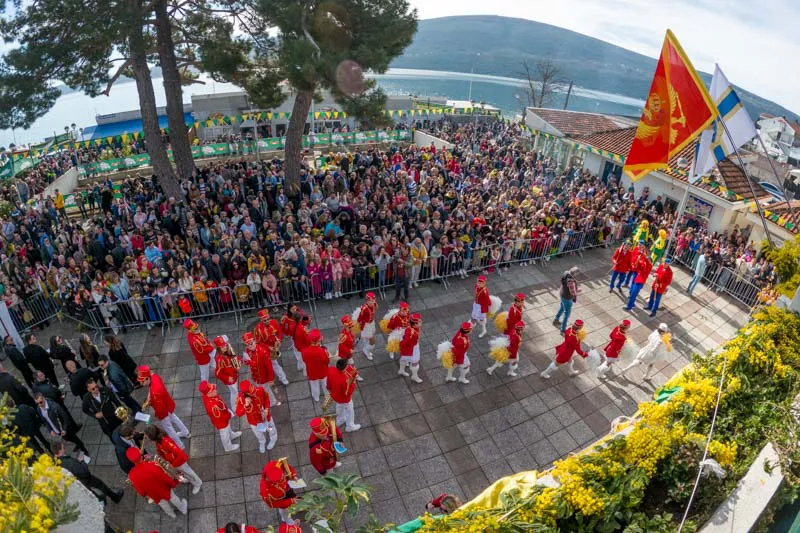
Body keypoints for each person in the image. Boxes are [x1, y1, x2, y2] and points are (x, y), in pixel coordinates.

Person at [51, 438, 124, 505]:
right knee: (100, 485)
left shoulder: (55, 462)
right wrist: (82, 462)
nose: (65, 448)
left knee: (95, 490)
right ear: (60, 451)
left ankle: (110, 498)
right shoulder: (69, 463)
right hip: (85, 479)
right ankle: (113, 498)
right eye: (63, 448)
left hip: (78, 480)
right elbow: (85, 472)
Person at [125, 447, 188, 518]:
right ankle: (182, 508)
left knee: (163, 504)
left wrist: (146, 494)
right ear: (140, 454)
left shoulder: (131, 475)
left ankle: (171, 514)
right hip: (163, 487)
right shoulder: (152, 465)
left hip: (153, 493)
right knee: (173, 498)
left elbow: (140, 491)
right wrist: (172, 483)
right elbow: (163, 477)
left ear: (130, 460)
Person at [138, 365, 191, 448]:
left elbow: (159, 408)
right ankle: (185, 432)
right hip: (168, 403)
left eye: (142, 381)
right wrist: (149, 399)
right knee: (174, 418)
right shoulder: (154, 376)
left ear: (147, 378)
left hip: (163, 411)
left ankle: (180, 445)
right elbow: (151, 390)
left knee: (169, 428)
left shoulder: (155, 393)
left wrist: (159, 415)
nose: (141, 383)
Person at [144, 425, 203, 494]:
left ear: (152, 436)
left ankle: (198, 483)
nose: (145, 437)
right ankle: (189, 479)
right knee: (185, 472)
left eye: (146, 435)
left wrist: (173, 465)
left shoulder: (165, 442)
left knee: (189, 472)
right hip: (174, 461)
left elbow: (180, 454)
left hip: (179, 462)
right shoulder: (159, 441)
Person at [235, 379, 277, 453]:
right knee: (258, 433)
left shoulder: (260, 389)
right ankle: (262, 442)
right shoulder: (241, 398)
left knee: (271, 428)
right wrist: (246, 405)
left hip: (265, 416)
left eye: (251, 386)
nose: (253, 389)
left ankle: (273, 438)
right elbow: (238, 413)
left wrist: (267, 409)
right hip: (253, 421)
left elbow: (266, 398)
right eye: (250, 390)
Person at [198, 380, 241, 452]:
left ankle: (231, 435)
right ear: (209, 393)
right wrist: (228, 415)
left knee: (228, 428)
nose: (215, 390)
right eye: (213, 390)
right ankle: (228, 447)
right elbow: (220, 417)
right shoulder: (212, 406)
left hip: (224, 414)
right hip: (221, 422)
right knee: (225, 434)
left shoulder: (209, 395)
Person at [253, 309, 289, 385]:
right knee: (275, 364)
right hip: (266, 349)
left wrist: (278, 340)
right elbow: (259, 342)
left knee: (273, 364)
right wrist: (268, 347)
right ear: (261, 320)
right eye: (265, 320)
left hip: (275, 346)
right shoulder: (258, 329)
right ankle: (283, 378)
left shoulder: (274, 322)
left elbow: (279, 332)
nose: (267, 321)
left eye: (268, 319)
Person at [242, 332, 279, 404]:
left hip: (263, 377)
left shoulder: (263, 352)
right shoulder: (247, 350)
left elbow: (269, 367)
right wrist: (245, 360)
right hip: (255, 377)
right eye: (247, 344)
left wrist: (270, 379)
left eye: (251, 343)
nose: (250, 345)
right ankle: (265, 399)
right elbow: (247, 363)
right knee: (260, 390)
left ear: (254, 341)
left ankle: (272, 402)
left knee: (267, 390)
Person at [260, 459, 299, 525]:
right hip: (281, 500)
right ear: (268, 479)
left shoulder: (275, 465)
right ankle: (288, 521)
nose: (282, 478)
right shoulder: (265, 492)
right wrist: (290, 501)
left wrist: (293, 475)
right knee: (285, 512)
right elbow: (275, 504)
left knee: (293, 499)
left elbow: (286, 466)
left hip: (287, 489)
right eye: (279, 479)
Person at [326, 358, 360, 432]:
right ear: (345, 367)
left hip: (335, 395)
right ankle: (350, 426)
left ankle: (340, 420)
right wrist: (353, 382)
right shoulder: (345, 379)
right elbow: (347, 393)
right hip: (344, 399)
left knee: (339, 407)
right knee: (350, 410)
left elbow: (328, 383)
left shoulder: (331, 370)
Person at [301, 329, 330, 402]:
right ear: (318, 341)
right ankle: (327, 395)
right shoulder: (322, 351)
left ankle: (316, 397)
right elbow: (327, 361)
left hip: (312, 371)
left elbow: (304, 360)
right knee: (325, 384)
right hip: (322, 371)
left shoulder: (304, 351)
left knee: (314, 385)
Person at [214, 335, 242, 408]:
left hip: (234, 375)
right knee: (234, 393)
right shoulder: (219, 360)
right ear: (218, 348)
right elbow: (217, 374)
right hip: (230, 380)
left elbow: (235, 357)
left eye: (225, 345)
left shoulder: (228, 350)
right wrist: (227, 378)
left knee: (235, 391)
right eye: (222, 347)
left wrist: (239, 361)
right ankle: (234, 407)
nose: (225, 348)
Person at [625, 243, 652, 311]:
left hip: (640, 282)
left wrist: (644, 257)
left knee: (633, 294)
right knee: (633, 294)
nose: (647, 260)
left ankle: (629, 306)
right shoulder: (645, 263)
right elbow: (639, 266)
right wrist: (637, 259)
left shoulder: (649, 266)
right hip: (637, 279)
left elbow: (646, 262)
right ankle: (632, 305)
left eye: (649, 260)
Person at [554, 267, 579, 335]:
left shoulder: (565, 273)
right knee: (566, 314)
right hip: (567, 298)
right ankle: (563, 329)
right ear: (574, 274)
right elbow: (573, 293)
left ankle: (556, 319)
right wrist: (578, 290)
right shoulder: (571, 281)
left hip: (562, 294)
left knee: (562, 307)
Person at [398, 313, 423, 383]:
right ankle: (414, 376)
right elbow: (405, 342)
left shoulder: (414, 328)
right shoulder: (410, 333)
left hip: (412, 346)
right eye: (419, 322)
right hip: (411, 348)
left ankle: (401, 370)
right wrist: (401, 346)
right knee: (415, 362)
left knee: (404, 358)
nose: (421, 322)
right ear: (414, 324)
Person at [355, 292, 378, 360]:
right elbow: (359, 318)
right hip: (366, 325)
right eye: (369, 300)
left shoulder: (374, 304)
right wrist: (360, 326)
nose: (371, 302)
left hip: (371, 323)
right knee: (372, 341)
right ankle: (366, 350)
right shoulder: (364, 308)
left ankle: (366, 349)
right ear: (366, 300)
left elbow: (374, 310)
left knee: (367, 338)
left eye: (373, 300)